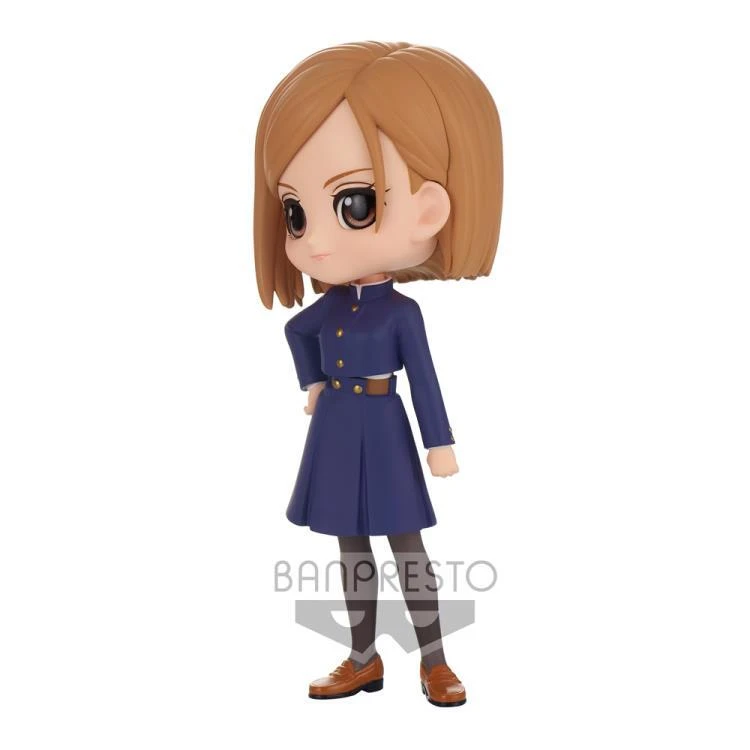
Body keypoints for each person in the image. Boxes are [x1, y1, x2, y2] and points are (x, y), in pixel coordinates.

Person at [253, 41, 503, 707]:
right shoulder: (331, 306)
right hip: (336, 426)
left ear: (429, 209)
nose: (313, 240)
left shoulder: (401, 312)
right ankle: (362, 657)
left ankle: (435, 661)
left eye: (355, 203)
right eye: (295, 214)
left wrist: (439, 443)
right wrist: (312, 381)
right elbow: (295, 331)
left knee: (407, 548)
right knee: (350, 548)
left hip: (386, 426)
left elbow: (424, 378)